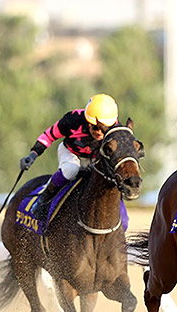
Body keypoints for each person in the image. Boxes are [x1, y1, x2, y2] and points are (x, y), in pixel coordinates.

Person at [19, 93, 120, 221]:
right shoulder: (73, 120)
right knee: (71, 170)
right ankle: (43, 199)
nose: (99, 132)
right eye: (95, 127)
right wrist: (33, 155)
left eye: (104, 128)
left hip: (95, 159)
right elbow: (49, 135)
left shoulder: (116, 129)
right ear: (87, 121)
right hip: (71, 153)